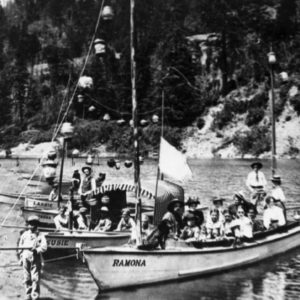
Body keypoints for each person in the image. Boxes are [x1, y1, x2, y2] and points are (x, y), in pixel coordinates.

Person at [18, 215, 47, 300]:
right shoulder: (24, 234)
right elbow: (20, 246)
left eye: (33, 224)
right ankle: (28, 294)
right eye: (29, 224)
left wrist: (37, 249)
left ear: (37, 225)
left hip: (35, 257)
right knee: (26, 277)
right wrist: (21, 256)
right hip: (25, 257)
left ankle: (35, 295)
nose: (31, 226)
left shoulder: (40, 235)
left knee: (35, 278)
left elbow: (44, 247)